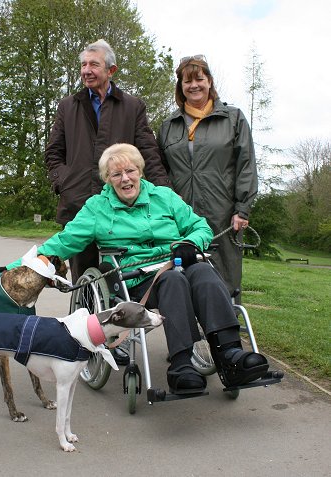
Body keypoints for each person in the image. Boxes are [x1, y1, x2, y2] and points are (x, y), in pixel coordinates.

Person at [38, 144, 268, 393]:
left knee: (205, 273)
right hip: (138, 277)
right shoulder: (97, 207)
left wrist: (190, 243)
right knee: (173, 281)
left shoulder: (164, 196)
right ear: (108, 179)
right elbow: (65, 241)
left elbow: (201, 227)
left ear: (140, 171)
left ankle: (230, 354)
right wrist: (24, 264)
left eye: (130, 171)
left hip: (179, 261)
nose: (125, 178)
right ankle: (182, 365)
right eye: (116, 174)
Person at [45, 39, 171, 283]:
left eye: (94, 64)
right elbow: (53, 153)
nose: (86, 70)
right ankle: (82, 318)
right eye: (83, 65)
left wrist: (164, 195)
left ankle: (121, 316)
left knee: (122, 273)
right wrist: (65, 183)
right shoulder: (68, 106)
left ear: (111, 70)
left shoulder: (132, 107)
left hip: (124, 207)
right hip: (79, 203)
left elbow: (149, 153)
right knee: (82, 277)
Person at [158, 55, 258, 301]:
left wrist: (242, 209)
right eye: (187, 81)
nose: (194, 86)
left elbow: (246, 164)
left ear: (210, 82)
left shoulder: (233, 118)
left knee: (225, 273)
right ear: (180, 87)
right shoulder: (169, 125)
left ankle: (228, 329)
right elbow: (160, 169)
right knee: (182, 270)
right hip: (181, 213)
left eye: (199, 79)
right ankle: (189, 328)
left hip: (222, 212)